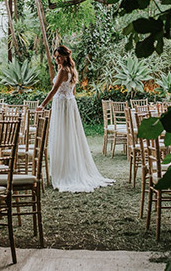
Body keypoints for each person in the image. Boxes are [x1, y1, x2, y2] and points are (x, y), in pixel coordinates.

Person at [37, 46, 114, 192]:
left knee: (63, 136)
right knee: (69, 135)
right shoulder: (72, 70)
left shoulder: (63, 71)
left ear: (66, 56)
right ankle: (67, 167)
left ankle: (65, 171)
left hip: (63, 105)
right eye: (55, 57)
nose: (57, 59)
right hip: (68, 104)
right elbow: (72, 91)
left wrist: (42, 105)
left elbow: (54, 90)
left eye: (59, 56)